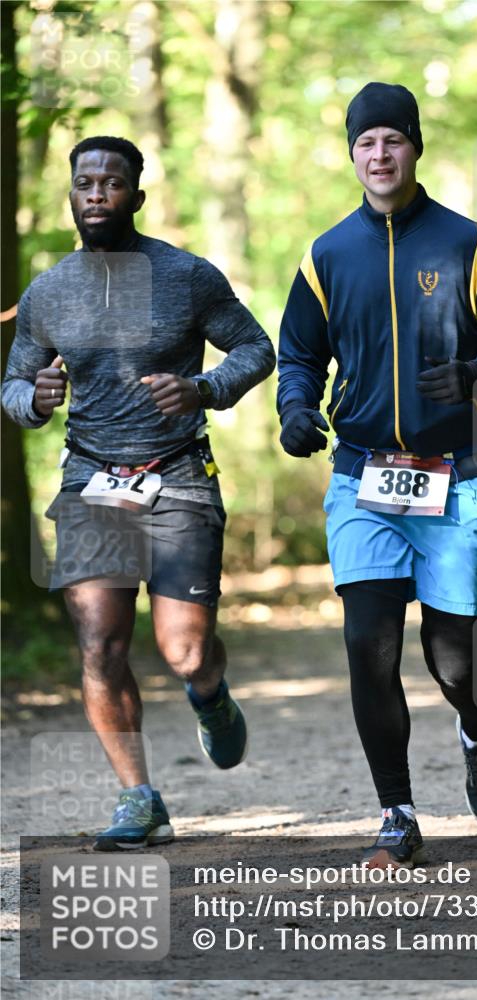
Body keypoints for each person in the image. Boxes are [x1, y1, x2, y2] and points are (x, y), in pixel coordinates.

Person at [277, 83, 477, 867]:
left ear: (414, 147)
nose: (379, 155)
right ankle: (395, 811)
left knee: (452, 661)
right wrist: (296, 409)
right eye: (365, 143)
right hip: (363, 476)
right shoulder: (326, 254)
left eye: (392, 140)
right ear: (351, 154)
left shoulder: (467, 243)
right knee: (368, 643)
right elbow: (299, 353)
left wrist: (471, 372)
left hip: (459, 476)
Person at [2, 136, 275, 850]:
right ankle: (138, 797)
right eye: (85, 182)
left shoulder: (185, 276)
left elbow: (255, 348)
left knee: (184, 650)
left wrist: (204, 389)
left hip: (179, 472)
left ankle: (209, 695)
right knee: (99, 644)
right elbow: (12, 384)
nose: (96, 193)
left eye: (111, 183)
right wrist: (35, 397)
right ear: (71, 194)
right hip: (91, 478)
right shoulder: (48, 291)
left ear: (136, 196)